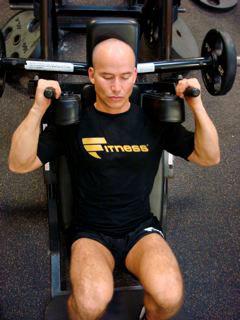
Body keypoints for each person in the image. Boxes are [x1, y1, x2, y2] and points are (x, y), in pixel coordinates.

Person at [8, 38, 220, 320]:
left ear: (135, 74)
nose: (117, 88)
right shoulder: (74, 119)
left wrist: (196, 106)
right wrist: (38, 109)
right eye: (107, 77)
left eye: (124, 77)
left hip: (141, 229)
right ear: (92, 75)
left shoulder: (153, 119)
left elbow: (209, 157)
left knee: (169, 297)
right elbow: (19, 164)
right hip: (90, 233)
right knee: (89, 304)